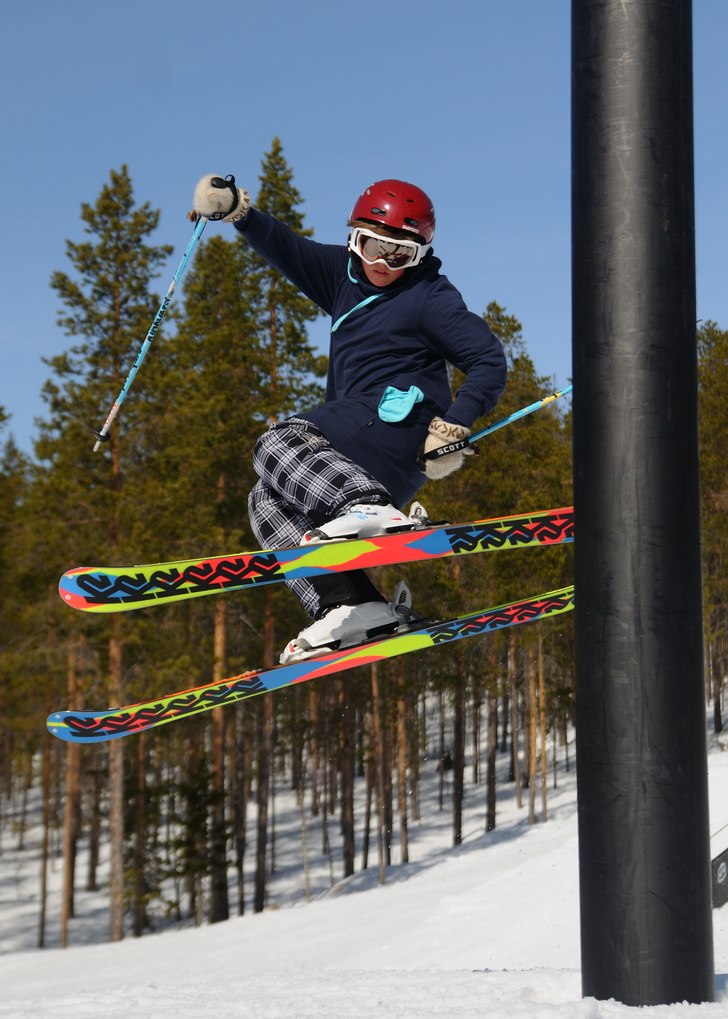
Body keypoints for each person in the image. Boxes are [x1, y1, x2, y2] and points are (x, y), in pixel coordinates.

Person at [189, 174, 507, 663]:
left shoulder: (430, 297)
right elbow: (287, 248)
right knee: (265, 500)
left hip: (400, 429)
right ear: (354, 238)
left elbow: (487, 359)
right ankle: (352, 605)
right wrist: (238, 212)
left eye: (399, 254)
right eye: (372, 246)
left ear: (418, 256)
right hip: (355, 454)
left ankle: (366, 510)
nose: (382, 263)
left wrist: (455, 423)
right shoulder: (343, 276)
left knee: (276, 442)